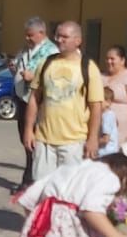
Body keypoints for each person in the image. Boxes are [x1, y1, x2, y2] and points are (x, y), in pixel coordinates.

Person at [24, 21, 104, 183]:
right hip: (44, 140)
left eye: (65, 37)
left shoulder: (88, 67)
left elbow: (96, 106)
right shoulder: (46, 63)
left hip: (74, 142)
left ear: (77, 40)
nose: (60, 40)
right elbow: (34, 98)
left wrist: (93, 138)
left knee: (68, 190)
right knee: (41, 189)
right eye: (58, 36)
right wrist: (28, 130)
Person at [10, 17, 58, 188]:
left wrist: (33, 77)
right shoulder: (26, 49)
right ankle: (29, 178)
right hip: (22, 98)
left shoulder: (51, 51)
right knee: (25, 140)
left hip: (38, 101)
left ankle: (32, 181)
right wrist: (13, 68)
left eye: (30, 35)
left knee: (34, 142)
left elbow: (52, 76)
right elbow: (19, 63)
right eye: (26, 35)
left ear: (41, 33)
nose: (27, 39)